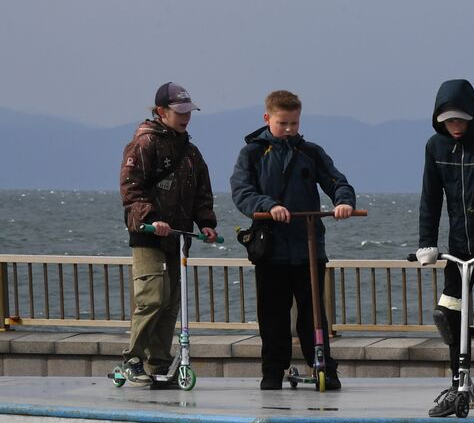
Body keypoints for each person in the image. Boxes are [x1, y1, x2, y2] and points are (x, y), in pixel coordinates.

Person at [230, 89, 356, 391]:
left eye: (294, 124)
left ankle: (323, 365)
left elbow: (336, 180)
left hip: (308, 248)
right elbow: (241, 191)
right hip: (270, 249)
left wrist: (344, 201)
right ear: (267, 118)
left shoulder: (310, 151)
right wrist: (268, 206)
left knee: (314, 315)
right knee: (272, 316)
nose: (289, 130)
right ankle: (272, 371)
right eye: (282, 123)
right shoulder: (252, 153)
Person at [414, 78, 474, 417]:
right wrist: (426, 242)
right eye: (448, 121)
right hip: (458, 248)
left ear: (472, 116)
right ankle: (458, 381)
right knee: (447, 314)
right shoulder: (434, 148)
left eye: (460, 120)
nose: (455, 127)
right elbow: (430, 197)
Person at [117, 82, 217, 388]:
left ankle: (158, 360)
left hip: (178, 236)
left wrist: (206, 223)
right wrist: (152, 218)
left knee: (172, 300)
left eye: (189, 111)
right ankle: (132, 358)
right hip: (148, 234)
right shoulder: (143, 144)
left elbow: (202, 192)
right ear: (162, 112)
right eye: (180, 111)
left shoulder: (191, 151)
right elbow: (130, 189)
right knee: (152, 297)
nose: (186, 117)